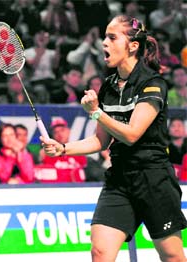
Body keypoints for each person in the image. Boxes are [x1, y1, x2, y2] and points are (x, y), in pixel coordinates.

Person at [40, 15, 187, 261]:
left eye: (112, 37)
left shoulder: (152, 84)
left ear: (133, 45)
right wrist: (63, 148)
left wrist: (97, 112)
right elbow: (101, 141)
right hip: (120, 180)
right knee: (100, 252)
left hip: (154, 179)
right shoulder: (107, 87)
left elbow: (131, 134)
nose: (104, 43)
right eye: (104, 37)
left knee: (172, 256)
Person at [37, 117, 87, 183]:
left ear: (68, 131)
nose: (60, 134)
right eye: (56, 132)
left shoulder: (78, 151)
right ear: (53, 136)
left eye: (62, 130)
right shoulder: (49, 153)